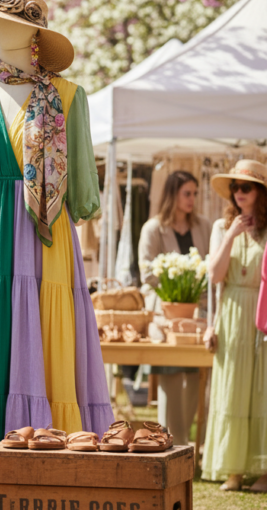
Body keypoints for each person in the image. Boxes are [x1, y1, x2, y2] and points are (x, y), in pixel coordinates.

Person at [202, 160, 267, 492]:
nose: (239, 193)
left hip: (263, 316)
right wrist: (232, 233)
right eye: (235, 188)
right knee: (230, 392)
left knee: (262, 393)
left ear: (260, 192)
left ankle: (264, 470)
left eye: (246, 187)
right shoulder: (220, 226)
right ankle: (234, 470)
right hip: (231, 316)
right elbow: (214, 276)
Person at [137, 171, 212, 446]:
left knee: (193, 378)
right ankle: (174, 445)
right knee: (170, 380)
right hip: (164, 317)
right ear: (173, 195)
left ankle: (186, 444)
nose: (192, 199)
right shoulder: (152, 228)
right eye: (187, 193)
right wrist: (175, 289)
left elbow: (209, 268)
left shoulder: (203, 225)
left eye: (194, 193)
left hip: (197, 316)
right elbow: (147, 274)